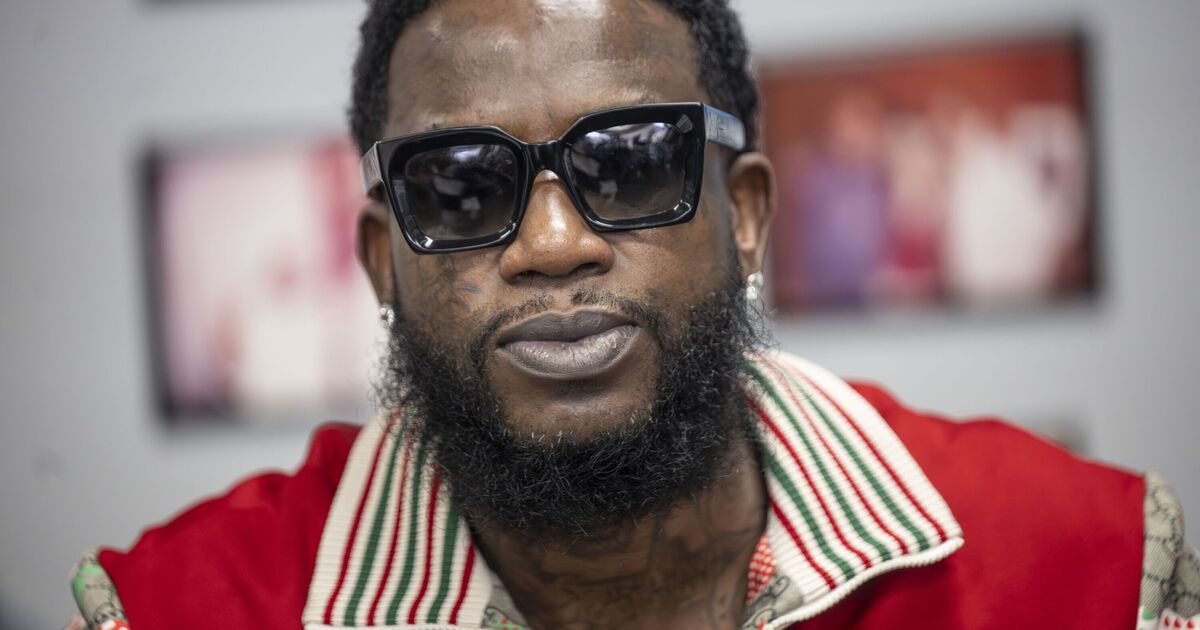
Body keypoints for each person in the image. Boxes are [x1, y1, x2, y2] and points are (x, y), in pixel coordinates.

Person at [67, 1, 1197, 629]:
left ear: (745, 215)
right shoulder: (170, 615)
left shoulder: (1089, 572)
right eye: (460, 188)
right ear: (381, 262)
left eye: (632, 163)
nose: (554, 244)